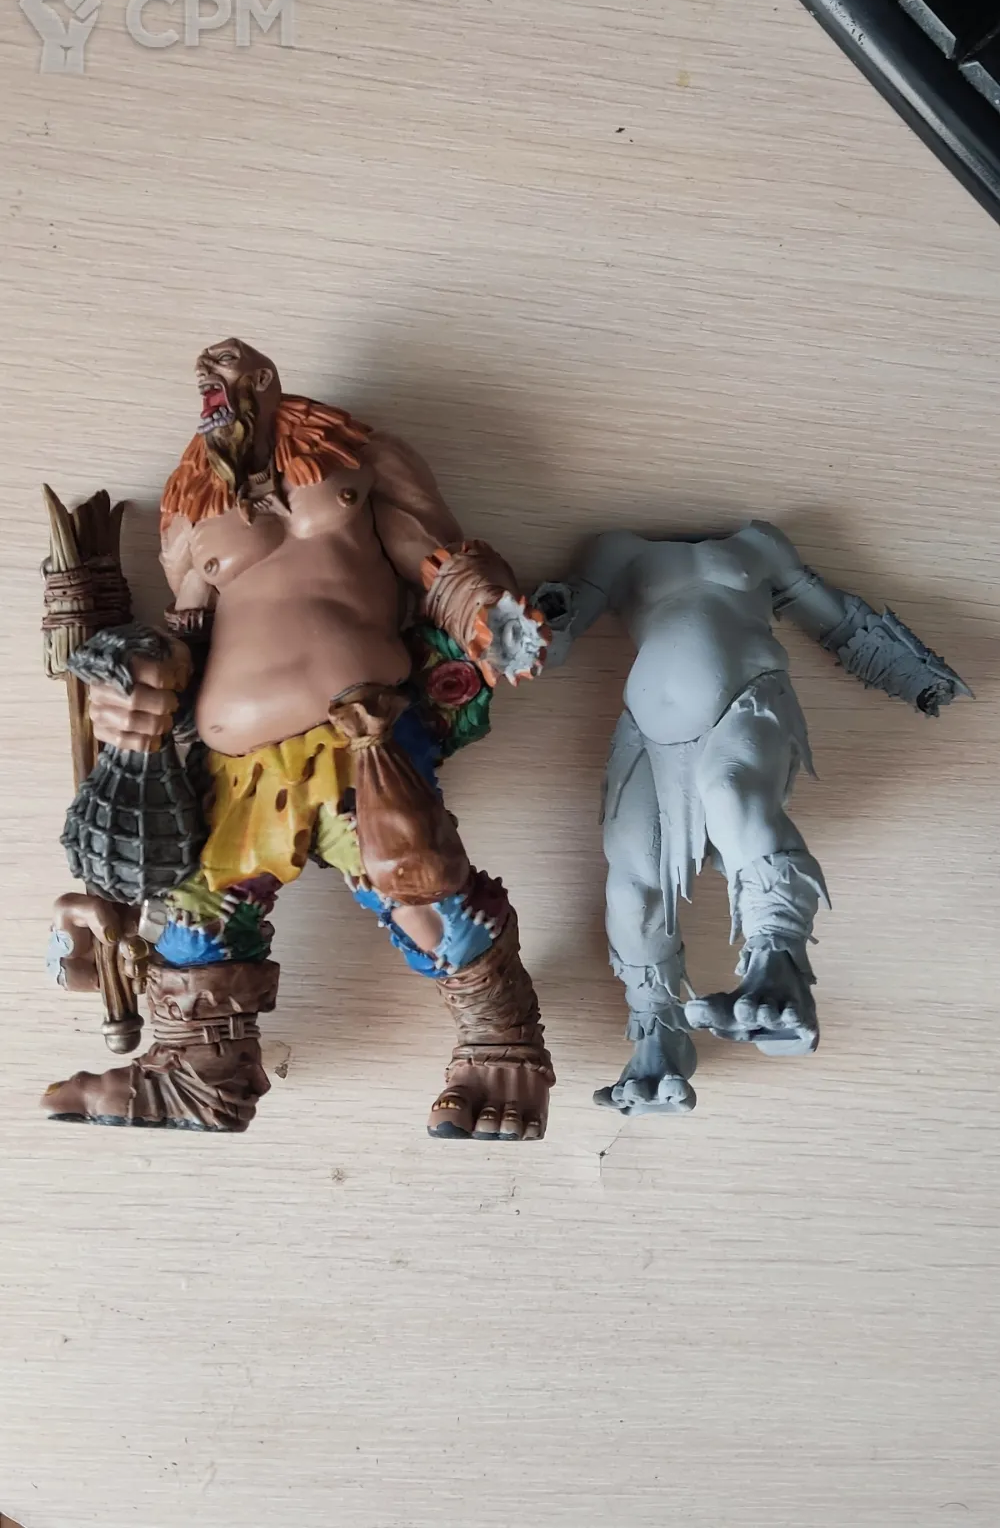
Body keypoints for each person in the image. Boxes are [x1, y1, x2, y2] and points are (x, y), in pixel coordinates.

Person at [45, 340, 553, 1141]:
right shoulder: (192, 506)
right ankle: (199, 1078)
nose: (218, 388)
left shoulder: (362, 459)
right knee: (199, 919)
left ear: (266, 380)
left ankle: (501, 1047)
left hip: (362, 736)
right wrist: (137, 680)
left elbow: (440, 566)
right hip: (237, 763)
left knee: (421, 890)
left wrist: (489, 616)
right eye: (207, 383)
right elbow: (188, 636)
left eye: (233, 376)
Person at [538, 522, 971, 1115]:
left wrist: (914, 675)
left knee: (733, 791)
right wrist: (522, 631)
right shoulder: (614, 552)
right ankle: (658, 1032)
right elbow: (556, 635)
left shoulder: (760, 545)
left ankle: (779, 963)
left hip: (748, 697)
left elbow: (836, 621)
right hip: (646, 729)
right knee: (632, 887)